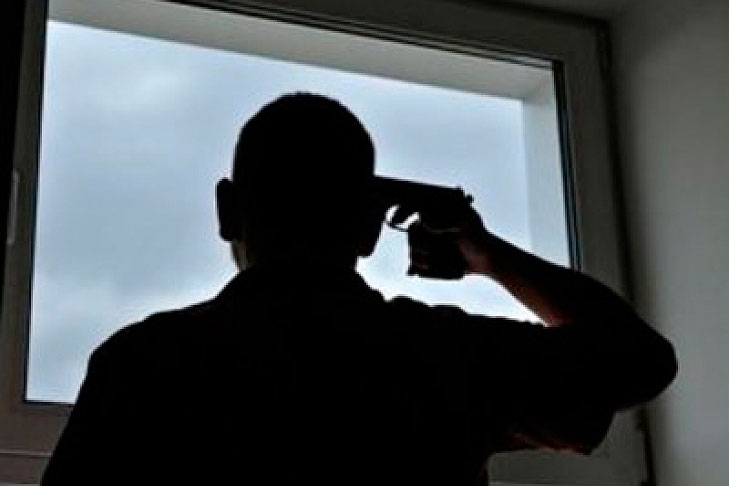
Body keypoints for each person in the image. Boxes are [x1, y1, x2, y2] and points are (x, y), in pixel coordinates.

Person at [42, 92, 677, 485]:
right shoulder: (445, 357)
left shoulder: (143, 364)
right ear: (371, 228)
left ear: (228, 211)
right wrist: (488, 255)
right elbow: (642, 360)